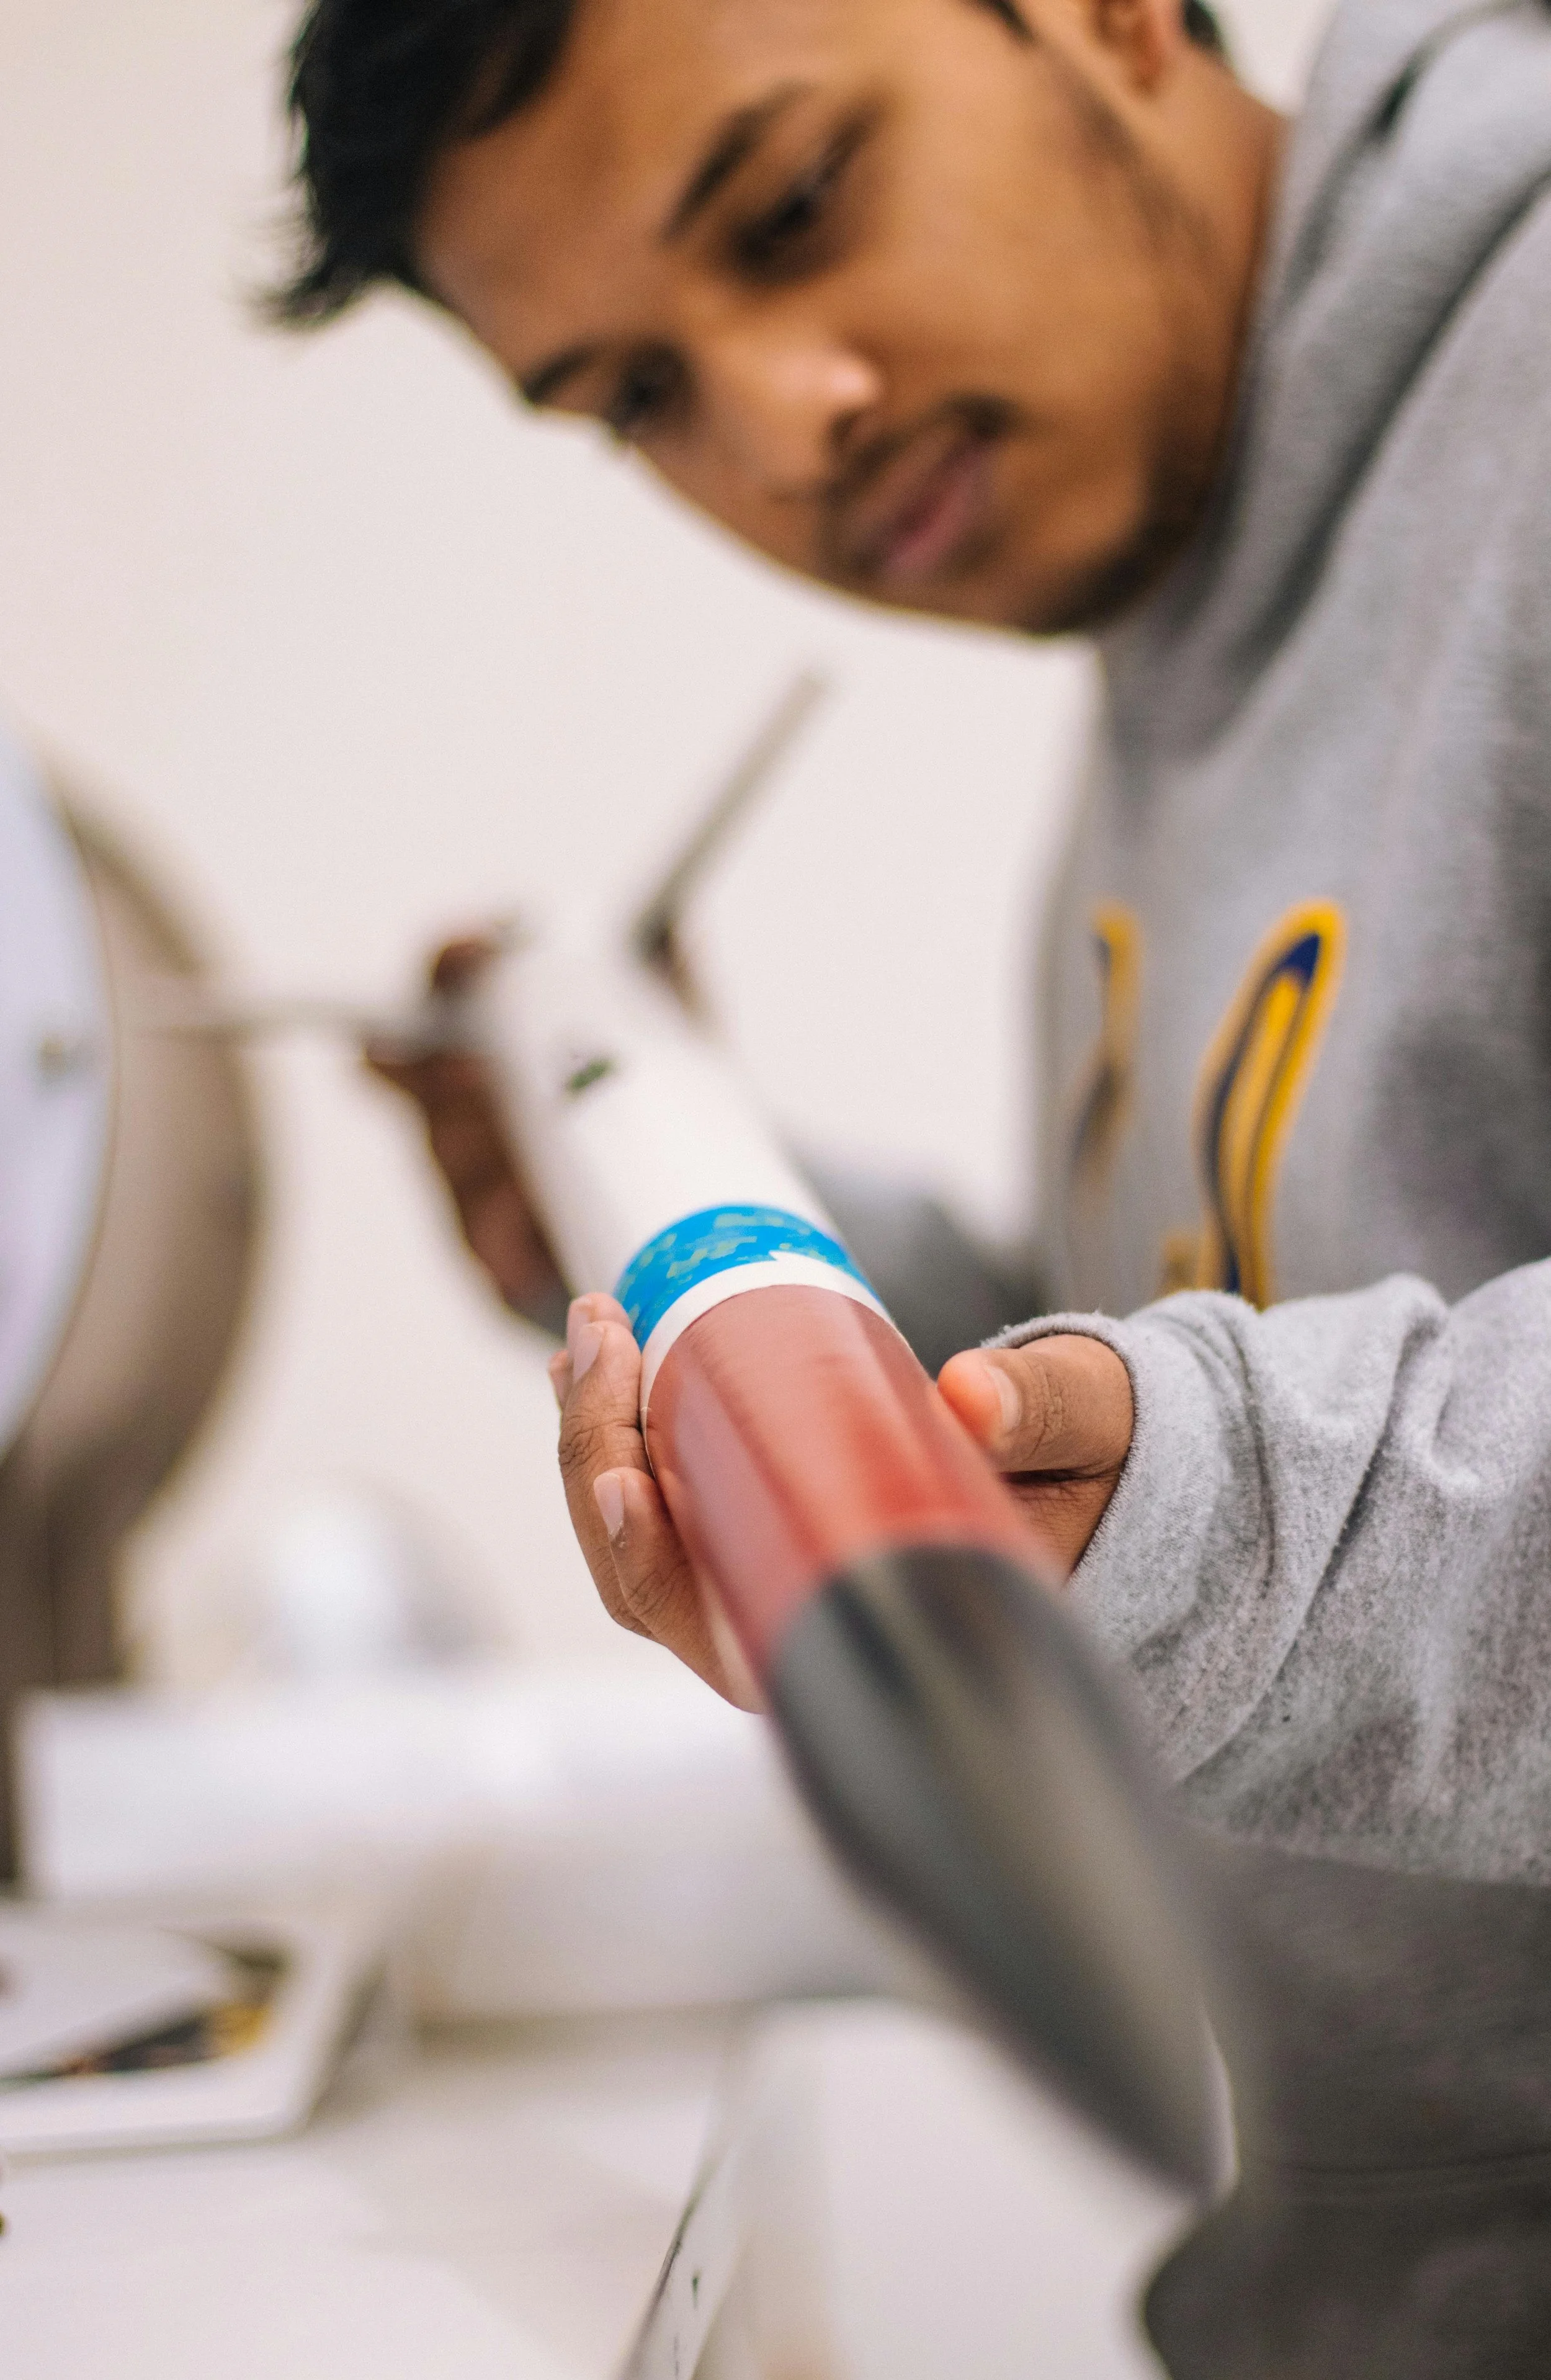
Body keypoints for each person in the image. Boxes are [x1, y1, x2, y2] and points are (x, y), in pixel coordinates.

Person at [276, 1, 1551, 2369]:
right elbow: (1254, 1316)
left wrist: (1196, 1517)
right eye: (634, 394)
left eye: (789, 209)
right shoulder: (1168, 651)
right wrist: (723, 1254)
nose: (783, 426)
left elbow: (1245, 1470)